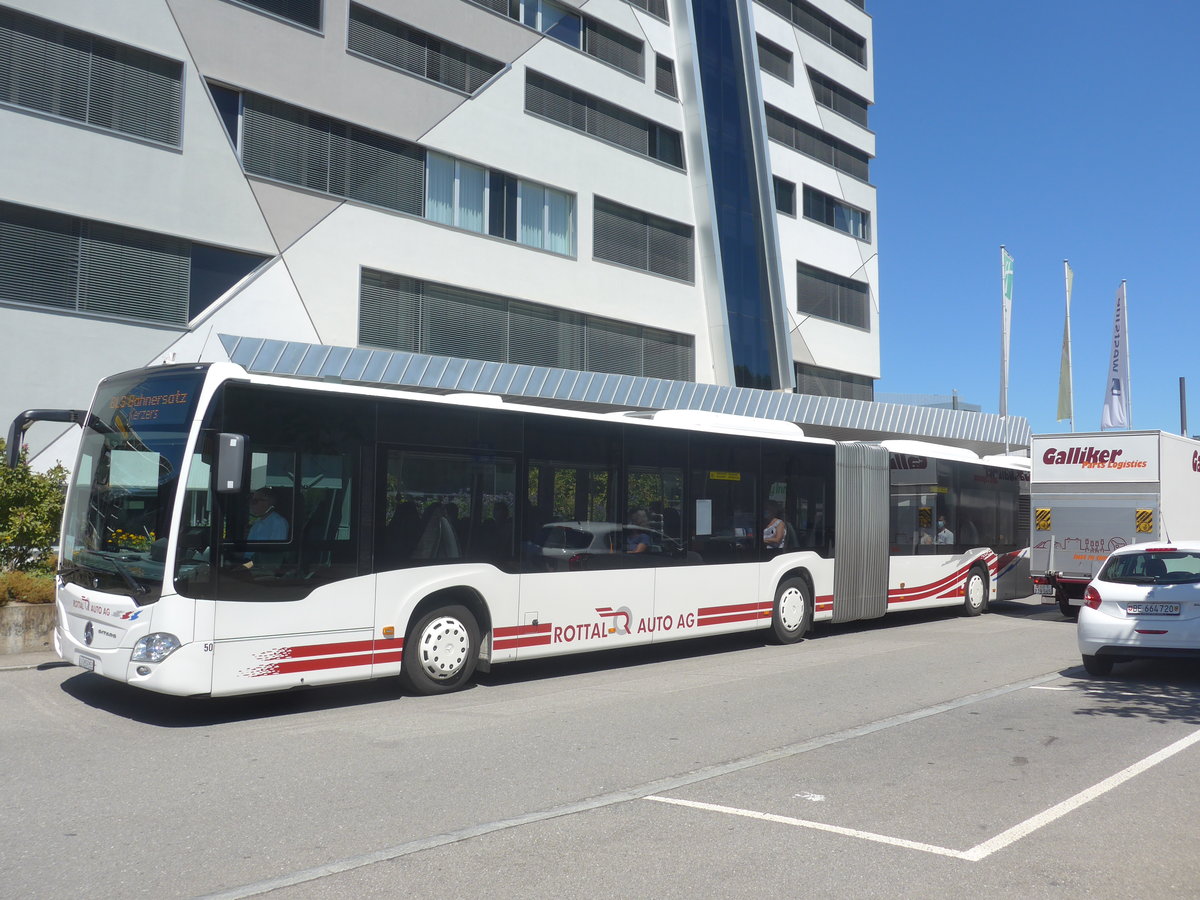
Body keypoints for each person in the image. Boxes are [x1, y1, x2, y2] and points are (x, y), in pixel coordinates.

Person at [239, 487, 289, 570]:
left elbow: (272, 557)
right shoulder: (257, 523)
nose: (251, 504)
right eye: (250, 501)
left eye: (254, 501)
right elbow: (249, 553)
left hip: (260, 569)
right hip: (249, 564)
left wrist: (244, 568)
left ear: (267, 502)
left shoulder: (278, 523)